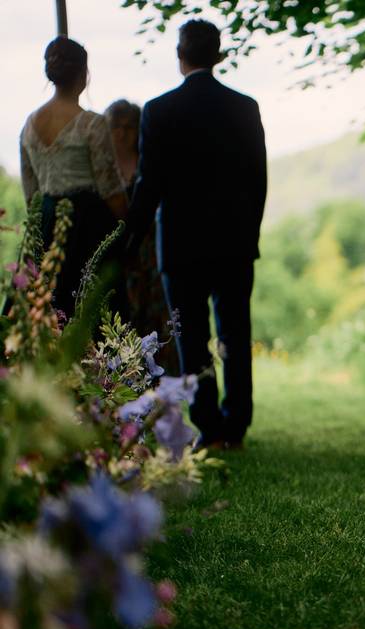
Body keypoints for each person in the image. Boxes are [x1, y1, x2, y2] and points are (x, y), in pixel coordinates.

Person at [128, 19, 267, 450]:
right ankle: (236, 426)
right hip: (234, 245)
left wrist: (128, 240)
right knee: (235, 336)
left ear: (180, 56)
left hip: (182, 248)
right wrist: (248, 233)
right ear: (219, 55)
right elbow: (257, 180)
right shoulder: (244, 107)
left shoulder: (158, 110)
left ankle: (207, 426)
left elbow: (148, 184)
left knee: (192, 341)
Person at [19, 36, 127, 318]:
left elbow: (30, 192)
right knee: (90, 311)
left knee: (45, 310)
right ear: (83, 74)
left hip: (45, 223)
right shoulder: (92, 123)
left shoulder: (29, 125)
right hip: (87, 227)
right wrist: (127, 232)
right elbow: (111, 189)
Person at [106, 99, 179, 375]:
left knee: (154, 315)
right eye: (116, 127)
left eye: (129, 127)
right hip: (118, 251)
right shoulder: (103, 166)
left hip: (148, 249)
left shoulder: (145, 161)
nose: (123, 133)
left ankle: (160, 376)